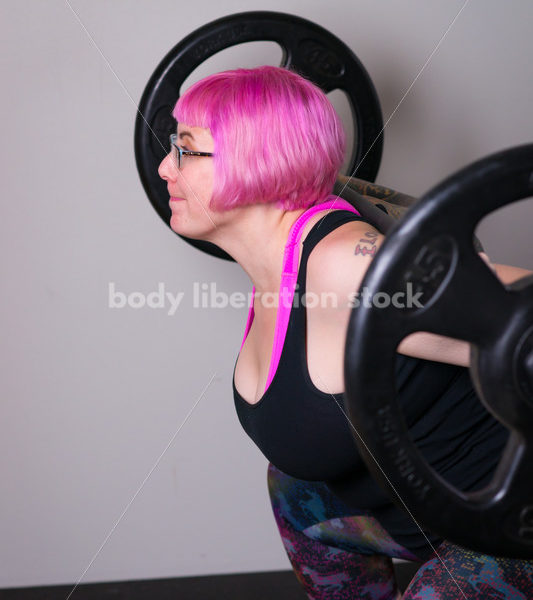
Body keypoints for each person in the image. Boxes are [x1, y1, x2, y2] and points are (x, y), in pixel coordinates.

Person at [158, 65, 533, 599]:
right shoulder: (278, 266)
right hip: (425, 512)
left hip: (511, 521)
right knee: (293, 487)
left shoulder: (345, 266)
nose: (163, 167)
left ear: (256, 158)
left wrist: (477, 302)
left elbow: (519, 304)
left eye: (184, 150)